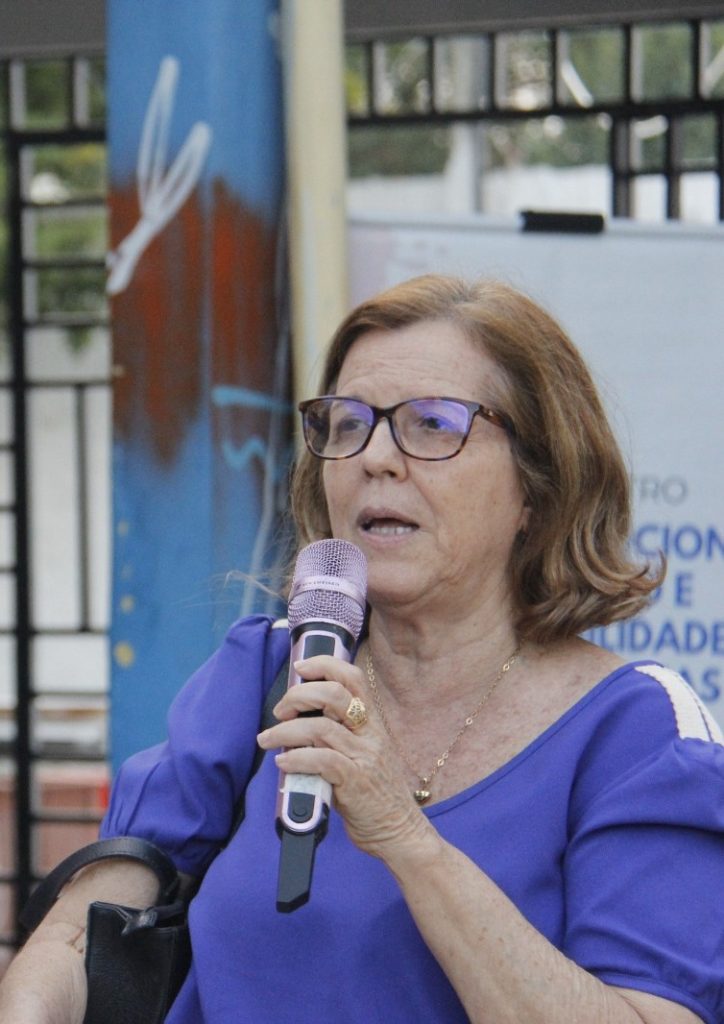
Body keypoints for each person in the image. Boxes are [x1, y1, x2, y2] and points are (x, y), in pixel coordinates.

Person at [2, 274, 722, 1024]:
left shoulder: (637, 734)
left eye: (432, 424)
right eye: (347, 424)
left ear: (538, 484)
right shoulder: (262, 673)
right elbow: (84, 938)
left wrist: (404, 836)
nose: (375, 457)